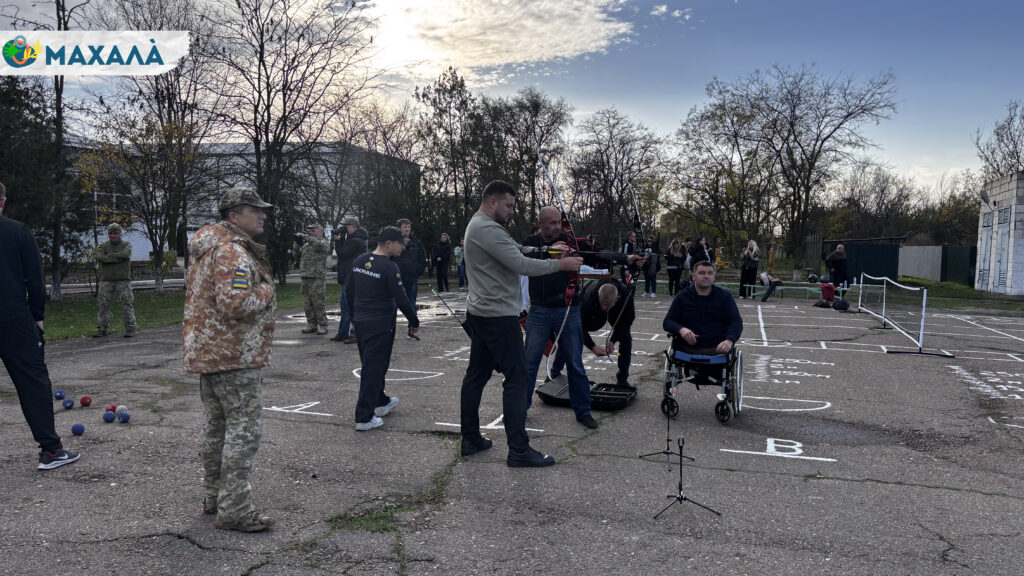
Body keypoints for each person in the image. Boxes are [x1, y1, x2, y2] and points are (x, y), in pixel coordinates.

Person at [461, 181, 582, 468]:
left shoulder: (483, 226)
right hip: (497, 317)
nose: (511, 211)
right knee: (518, 379)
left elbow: (518, 249)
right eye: (509, 205)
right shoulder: (487, 228)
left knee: (476, 376)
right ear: (493, 201)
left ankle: (471, 439)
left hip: (483, 313)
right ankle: (518, 450)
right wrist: (560, 265)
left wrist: (548, 251)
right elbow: (521, 264)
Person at [183, 187, 276, 533]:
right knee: (243, 431)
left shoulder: (209, 248)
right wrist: (267, 288)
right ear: (234, 216)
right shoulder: (231, 251)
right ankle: (235, 509)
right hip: (234, 355)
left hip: (211, 353)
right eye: (255, 210)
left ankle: (215, 497)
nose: (262, 215)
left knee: (217, 428)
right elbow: (236, 304)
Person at [522, 206, 644, 429]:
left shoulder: (570, 242)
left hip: (568, 309)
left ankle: (583, 411)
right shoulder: (531, 242)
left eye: (559, 223)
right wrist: (549, 252)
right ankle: (520, 410)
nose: (557, 227)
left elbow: (598, 254)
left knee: (575, 364)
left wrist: (627, 258)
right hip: (539, 310)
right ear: (540, 224)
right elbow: (522, 254)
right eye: (551, 223)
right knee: (529, 363)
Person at [0, 181, 80, 471]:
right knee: (33, 383)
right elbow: (34, 277)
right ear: (3, 202)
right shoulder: (17, 232)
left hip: (12, 318)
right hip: (12, 318)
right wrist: (37, 315)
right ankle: (51, 450)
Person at [346, 226, 420, 431]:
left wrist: (353, 317)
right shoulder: (389, 267)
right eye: (400, 243)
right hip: (380, 323)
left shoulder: (359, 261)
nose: (403, 247)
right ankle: (364, 416)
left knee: (372, 364)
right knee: (374, 367)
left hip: (362, 321)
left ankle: (379, 401)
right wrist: (414, 321)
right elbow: (401, 298)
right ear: (388, 244)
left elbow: (349, 292)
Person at [550, 277, 637, 387]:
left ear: (617, 298)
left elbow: (627, 322)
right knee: (570, 335)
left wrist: (612, 340)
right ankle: (554, 373)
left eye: (607, 305)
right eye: (603, 303)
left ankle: (622, 378)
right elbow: (579, 326)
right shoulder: (588, 298)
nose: (604, 307)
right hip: (592, 313)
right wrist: (592, 346)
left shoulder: (626, 297)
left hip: (616, 311)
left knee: (626, 338)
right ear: (597, 294)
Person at [663, 260, 743, 357]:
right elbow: (668, 322)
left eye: (710, 273)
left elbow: (736, 321)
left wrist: (729, 340)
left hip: (717, 349)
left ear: (714, 277)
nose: (706, 276)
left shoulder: (725, 297)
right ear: (694, 276)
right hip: (686, 349)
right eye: (701, 273)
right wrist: (681, 329)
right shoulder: (682, 296)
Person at [92, 222, 137, 338]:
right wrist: (117, 258)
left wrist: (108, 256)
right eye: (110, 233)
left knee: (127, 304)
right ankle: (102, 329)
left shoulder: (127, 245)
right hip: (106, 281)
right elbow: (98, 256)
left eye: (115, 233)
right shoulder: (103, 246)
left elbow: (125, 255)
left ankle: (130, 329)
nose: (113, 236)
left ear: (120, 234)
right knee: (103, 305)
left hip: (123, 281)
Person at [331, 216, 367, 344]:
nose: (345, 229)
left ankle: (354, 333)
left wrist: (338, 240)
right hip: (348, 276)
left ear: (354, 227)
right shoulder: (352, 239)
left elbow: (342, 254)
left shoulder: (356, 241)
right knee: (345, 306)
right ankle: (343, 332)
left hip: (352, 277)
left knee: (351, 306)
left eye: (347, 227)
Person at [293, 223, 330, 335]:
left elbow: (318, 245)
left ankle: (323, 325)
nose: (310, 232)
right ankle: (312, 324)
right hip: (305, 276)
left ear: (320, 231)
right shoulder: (306, 245)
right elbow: (297, 258)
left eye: (313, 230)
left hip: (317, 277)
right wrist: (296, 250)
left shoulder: (323, 242)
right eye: (310, 231)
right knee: (307, 303)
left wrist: (304, 236)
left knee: (318, 302)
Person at [394, 218, 427, 310]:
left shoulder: (416, 242)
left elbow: (422, 259)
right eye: (405, 227)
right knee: (394, 303)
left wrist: (418, 272)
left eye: (408, 227)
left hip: (412, 277)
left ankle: (412, 319)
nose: (407, 229)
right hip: (397, 277)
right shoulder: (393, 242)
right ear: (399, 228)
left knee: (411, 303)